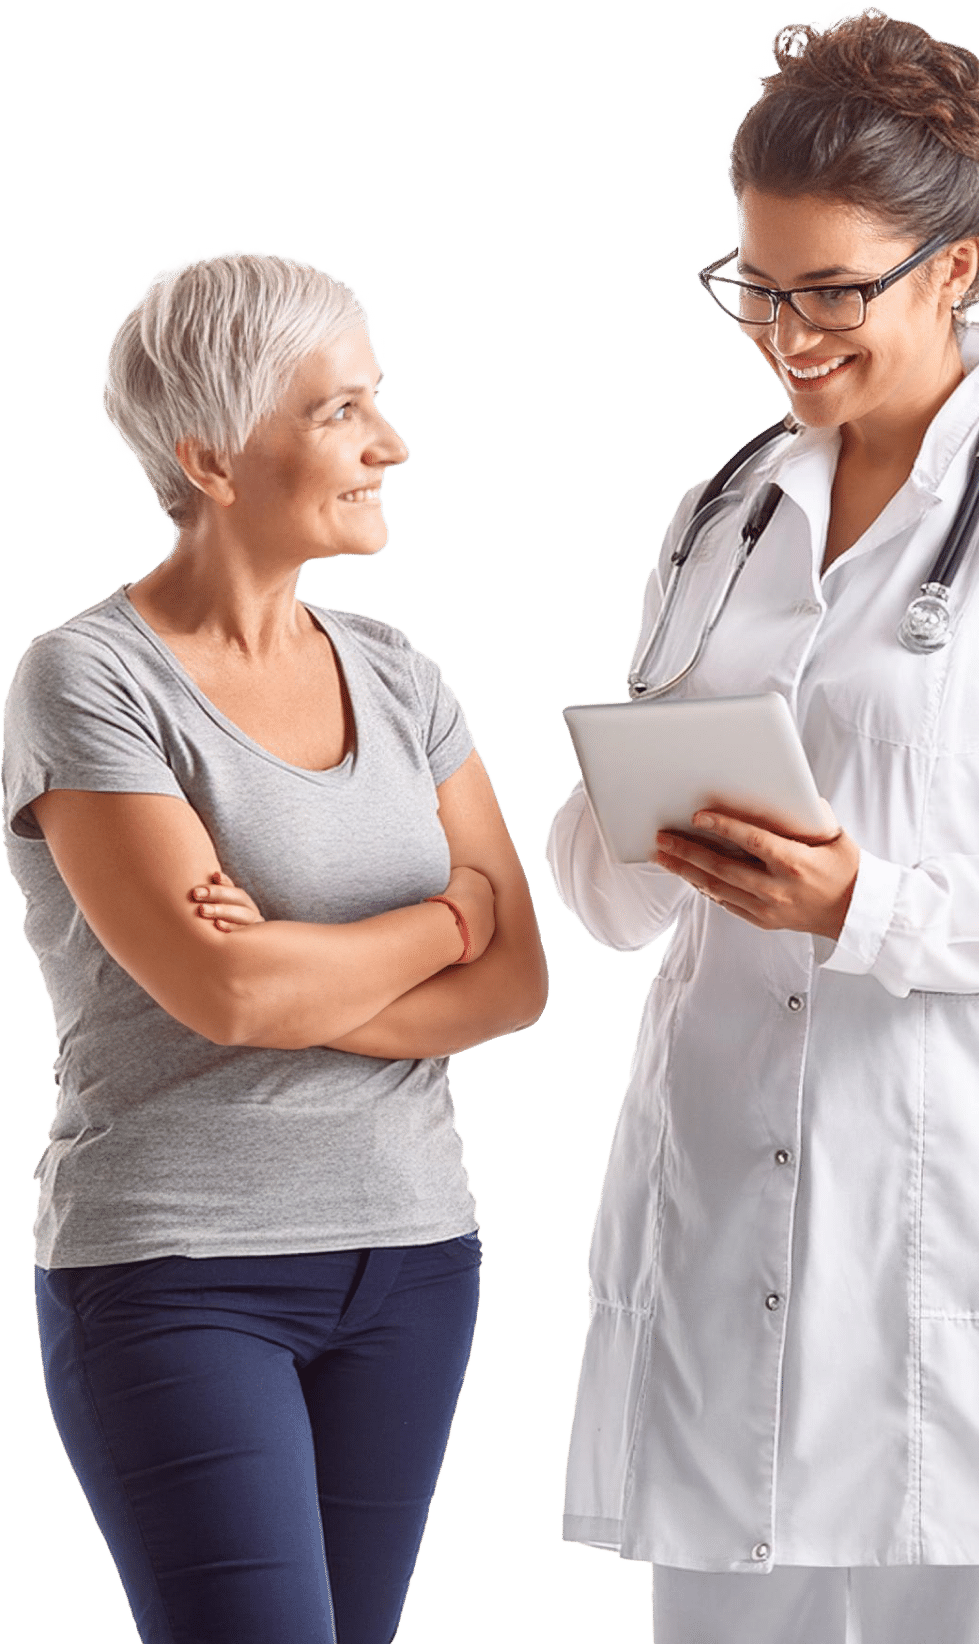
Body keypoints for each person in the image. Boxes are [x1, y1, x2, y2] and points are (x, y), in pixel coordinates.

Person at [544, 10, 979, 1644]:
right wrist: (632, 831)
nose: (786, 333)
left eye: (835, 291)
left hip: (964, 1217)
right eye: (756, 286)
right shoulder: (715, 515)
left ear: (962, 265)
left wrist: (871, 908)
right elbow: (607, 892)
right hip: (722, 1213)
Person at [1, 248, 549, 1644]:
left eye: (379, 401)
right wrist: (438, 920)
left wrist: (309, 973)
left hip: (416, 1254)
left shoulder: (404, 673)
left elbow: (517, 980)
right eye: (340, 409)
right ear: (213, 455)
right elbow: (236, 993)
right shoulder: (90, 680)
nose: (391, 443)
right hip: (180, 1271)